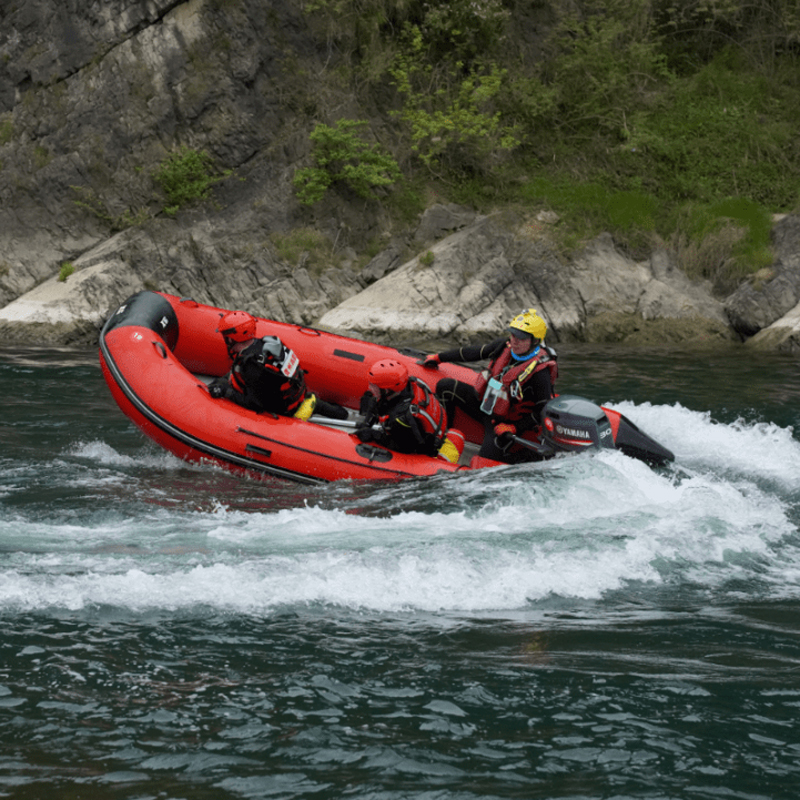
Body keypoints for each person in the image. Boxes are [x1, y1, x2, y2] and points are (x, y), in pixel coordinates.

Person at [421, 308, 557, 462]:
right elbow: (473, 353)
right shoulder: (503, 347)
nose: (515, 340)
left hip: (504, 423)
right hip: (484, 404)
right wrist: (439, 357)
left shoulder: (540, 374)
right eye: (513, 335)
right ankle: (444, 435)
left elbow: (542, 411)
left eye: (521, 338)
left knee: (484, 461)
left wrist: (514, 428)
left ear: (535, 341)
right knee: (445, 386)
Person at [208, 310, 348, 420]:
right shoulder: (266, 344)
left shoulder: (252, 366)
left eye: (225, 337)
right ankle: (326, 408)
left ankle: (317, 408)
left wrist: (226, 392)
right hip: (295, 394)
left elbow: (255, 405)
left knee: (236, 394)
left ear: (232, 338)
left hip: (283, 408)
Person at [355, 359, 465, 464]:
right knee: (369, 398)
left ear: (387, 390)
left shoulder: (402, 419)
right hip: (435, 428)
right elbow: (380, 402)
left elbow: (404, 448)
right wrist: (367, 421)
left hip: (420, 447)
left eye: (373, 386)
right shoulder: (410, 385)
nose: (369, 388)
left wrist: (375, 435)